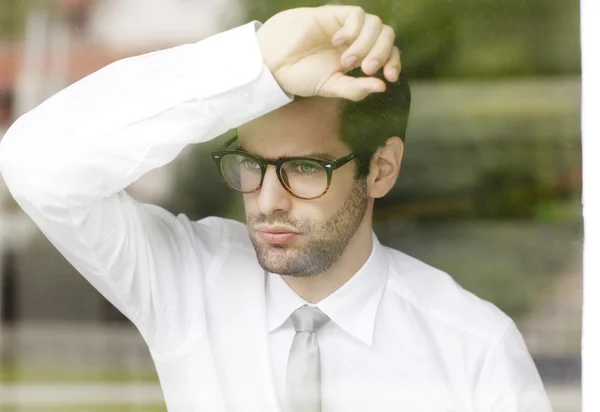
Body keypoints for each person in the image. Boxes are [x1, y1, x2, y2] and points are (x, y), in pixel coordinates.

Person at [0, 5, 552, 412]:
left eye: (306, 169)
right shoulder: (185, 277)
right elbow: (35, 164)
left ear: (381, 169)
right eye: (252, 164)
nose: (266, 201)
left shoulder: (473, 347)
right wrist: (257, 64)